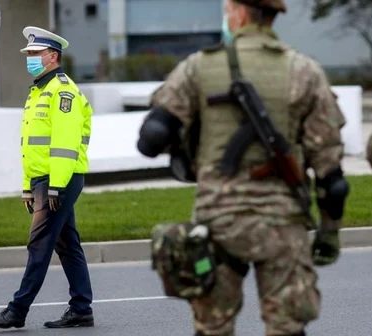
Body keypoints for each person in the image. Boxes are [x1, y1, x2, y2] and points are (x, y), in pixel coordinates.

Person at [137, 0, 349, 335]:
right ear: (272, 16)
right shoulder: (305, 71)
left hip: (219, 223)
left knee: (213, 327)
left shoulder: (198, 68)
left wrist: (187, 145)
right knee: (288, 328)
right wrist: (329, 233)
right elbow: (332, 178)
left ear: (237, 12)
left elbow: (150, 139)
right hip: (283, 224)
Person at [0, 26, 95, 330]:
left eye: (34, 53)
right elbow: (30, 147)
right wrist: (27, 188)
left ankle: (17, 310)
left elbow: (65, 144)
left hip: (59, 180)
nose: (30, 58)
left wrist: (55, 186)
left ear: (52, 56)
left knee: (39, 244)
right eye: (29, 54)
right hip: (43, 180)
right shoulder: (39, 91)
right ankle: (82, 308)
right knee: (67, 244)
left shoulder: (63, 91)